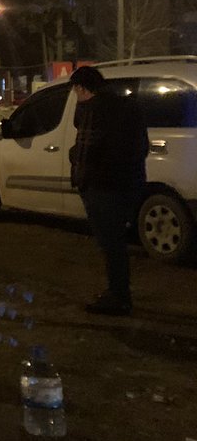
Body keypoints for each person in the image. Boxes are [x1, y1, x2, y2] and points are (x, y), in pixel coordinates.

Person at [68, 66, 148, 316]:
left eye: (76, 91)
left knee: (110, 244)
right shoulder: (128, 107)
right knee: (117, 243)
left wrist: (80, 177)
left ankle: (118, 296)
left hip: (102, 188)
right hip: (128, 184)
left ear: (82, 88)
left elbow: (85, 153)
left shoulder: (94, 110)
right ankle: (119, 293)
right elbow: (142, 147)